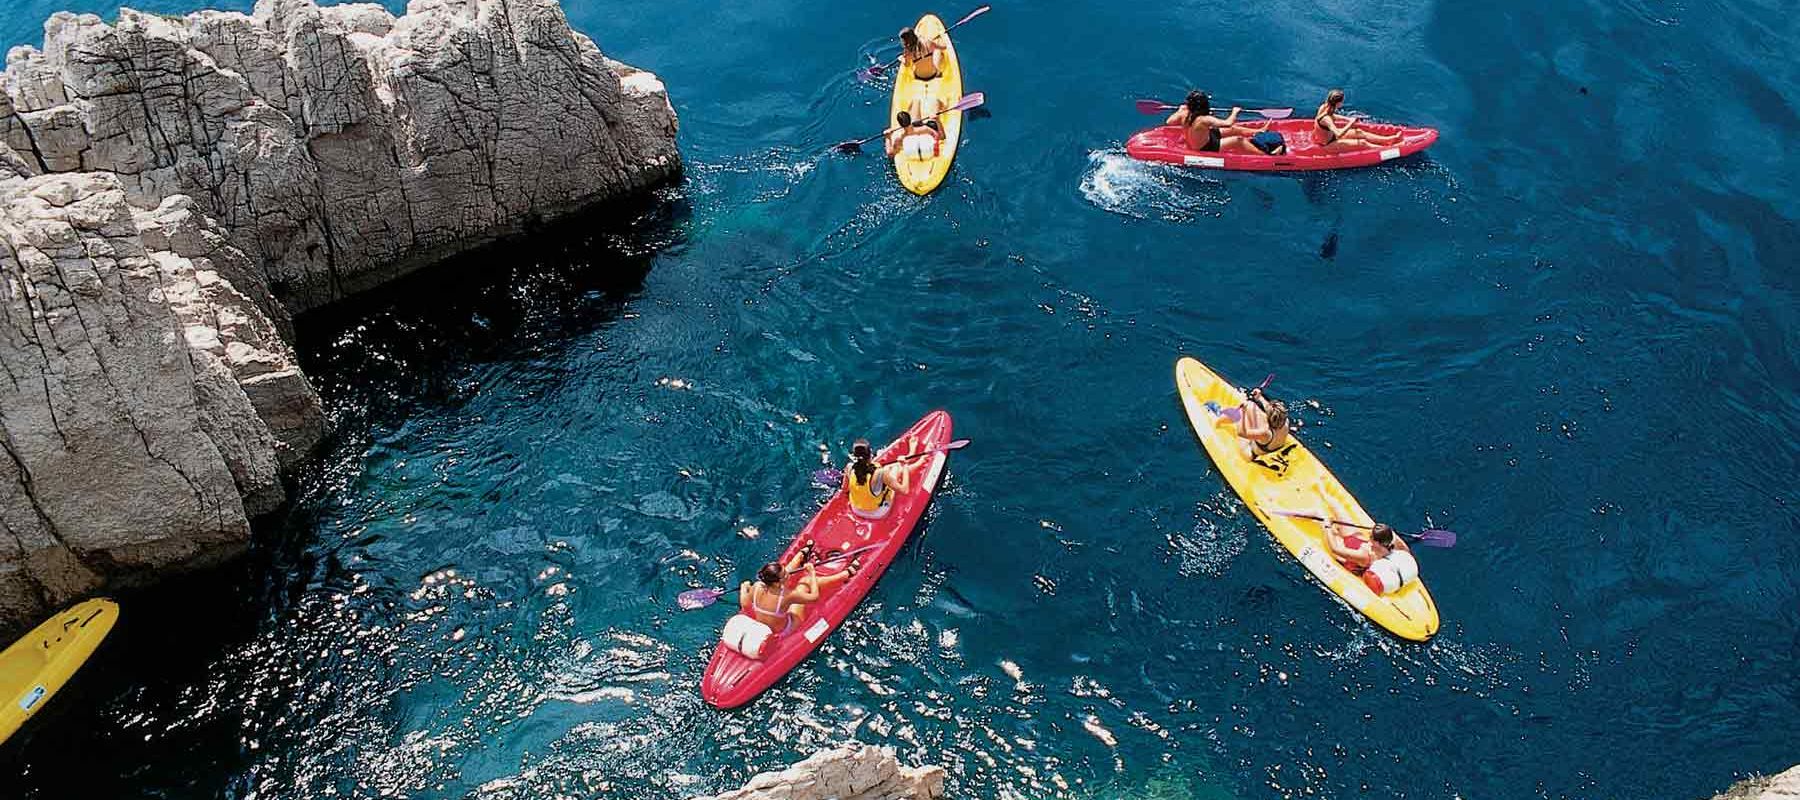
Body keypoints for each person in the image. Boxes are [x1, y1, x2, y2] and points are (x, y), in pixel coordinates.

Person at [738, 543, 853, 634]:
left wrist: (744, 588)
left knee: (787, 575)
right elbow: (814, 597)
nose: (788, 574)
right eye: (784, 576)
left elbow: (745, 604)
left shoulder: (757, 586)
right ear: (776, 584)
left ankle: (800, 557)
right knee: (804, 583)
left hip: (766, 627)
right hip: (787, 627)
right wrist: (812, 573)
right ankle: (845, 575)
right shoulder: (788, 596)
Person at [1165, 90, 1276, 155]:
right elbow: (1228, 123)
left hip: (1203, 139)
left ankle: (1259, 131)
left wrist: (1179, 110)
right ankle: (1266, 155)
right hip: (1204, 147)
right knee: (1238, 140)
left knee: (1233, 130)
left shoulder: (1184, 113)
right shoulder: (1204, 119)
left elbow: (1169, 121)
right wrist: (1235, 112)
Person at [844, 438, 914, 519]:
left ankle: (912, 455)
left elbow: (844, 489)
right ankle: (918, 460)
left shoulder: (849, 467)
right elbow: (905, 490)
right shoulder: (880, 473)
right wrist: (904, 465)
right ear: (870, 455)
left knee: (888, 468)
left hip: (856, 509)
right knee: (896, 470)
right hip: (877, 513)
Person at [1313, 88, 1402, 150]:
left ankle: (1389, 140)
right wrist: (1350, 124)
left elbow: (1333, 116)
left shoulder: (1325, 107)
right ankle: (1388, 148)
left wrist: (1348, 119)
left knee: (1360, 132)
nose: (1342, 103)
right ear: (1338, 103)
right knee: (1362, 143)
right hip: (1328, 144)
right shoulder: (1326, 119)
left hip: (1331, 137)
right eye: (1342, 101)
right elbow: (1338, 134)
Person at [1233, 386, 1291, 458]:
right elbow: (1270, 409)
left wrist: (1242, 411)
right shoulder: (1286, 421)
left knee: (1239, 422)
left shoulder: (1265, 433)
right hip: (1275, 446)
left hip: (1252, 452)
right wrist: (1259, 397)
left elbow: (1241, 433)